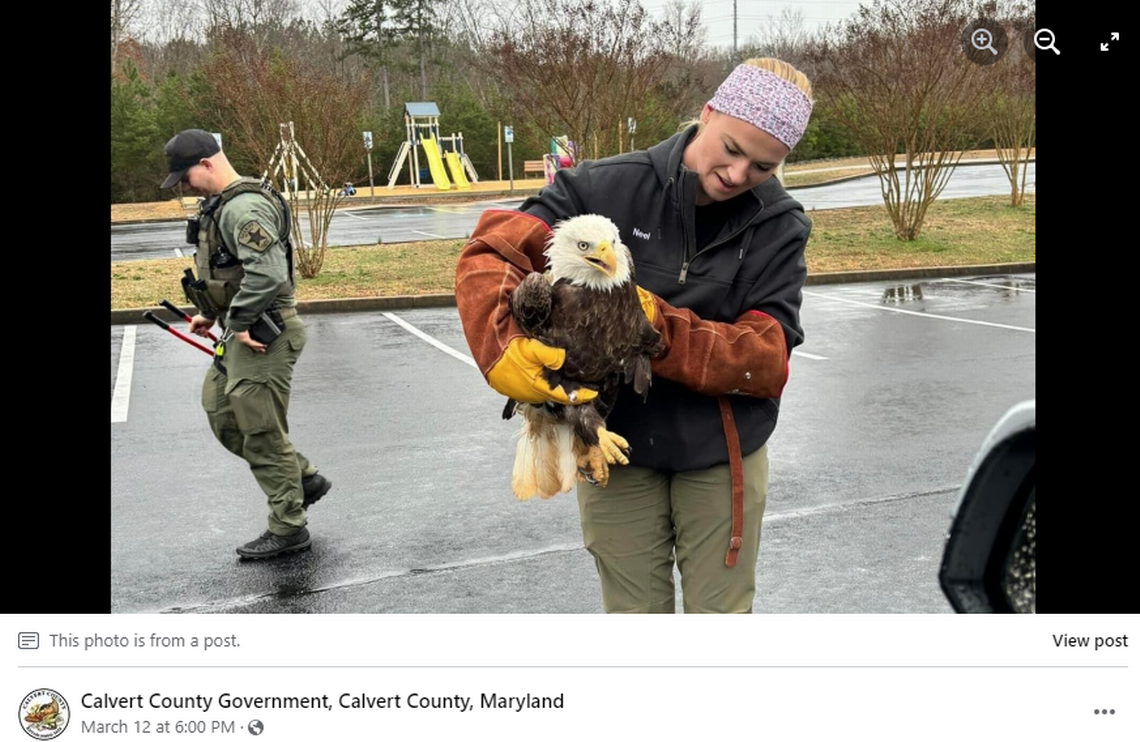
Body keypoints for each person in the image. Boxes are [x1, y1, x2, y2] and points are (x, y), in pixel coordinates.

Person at [455, 58, 814, 612]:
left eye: (763, 166)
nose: (739, 175)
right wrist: (498, 346)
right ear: (707, 113)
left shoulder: (780, 226)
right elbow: (494, 249)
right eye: (733, 149)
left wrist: (649, 327)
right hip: (611, 441)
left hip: (719, 451)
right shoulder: (602, 186)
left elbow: (765, 359)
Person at [160, 129, 333, 560]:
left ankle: (289, 526)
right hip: (244, 330)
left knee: (260, 433)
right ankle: (304, 478)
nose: (183, 186)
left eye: (185, 176)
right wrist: (212, 313)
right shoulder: (222, 206)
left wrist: (236, 319)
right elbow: (233, 273)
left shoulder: (245, 208)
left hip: (263, 335)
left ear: (206, 164)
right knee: (222, 413)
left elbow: (269, 274)